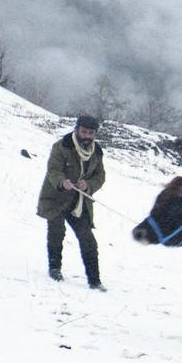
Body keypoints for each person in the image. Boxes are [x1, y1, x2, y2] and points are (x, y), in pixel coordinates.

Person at [36, 115, 107, 290]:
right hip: (56, 199)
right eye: (84, 132)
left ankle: (94, 280)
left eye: (91, 133)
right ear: (77, 130)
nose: (87, 136)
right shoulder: (62, 146)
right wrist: (62, 182)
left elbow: (100, 176)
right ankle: (54, 268)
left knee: (88, 239)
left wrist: (88, 185)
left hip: (79, 203)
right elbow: (53, 169)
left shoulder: (96, 151)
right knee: (56, 232)